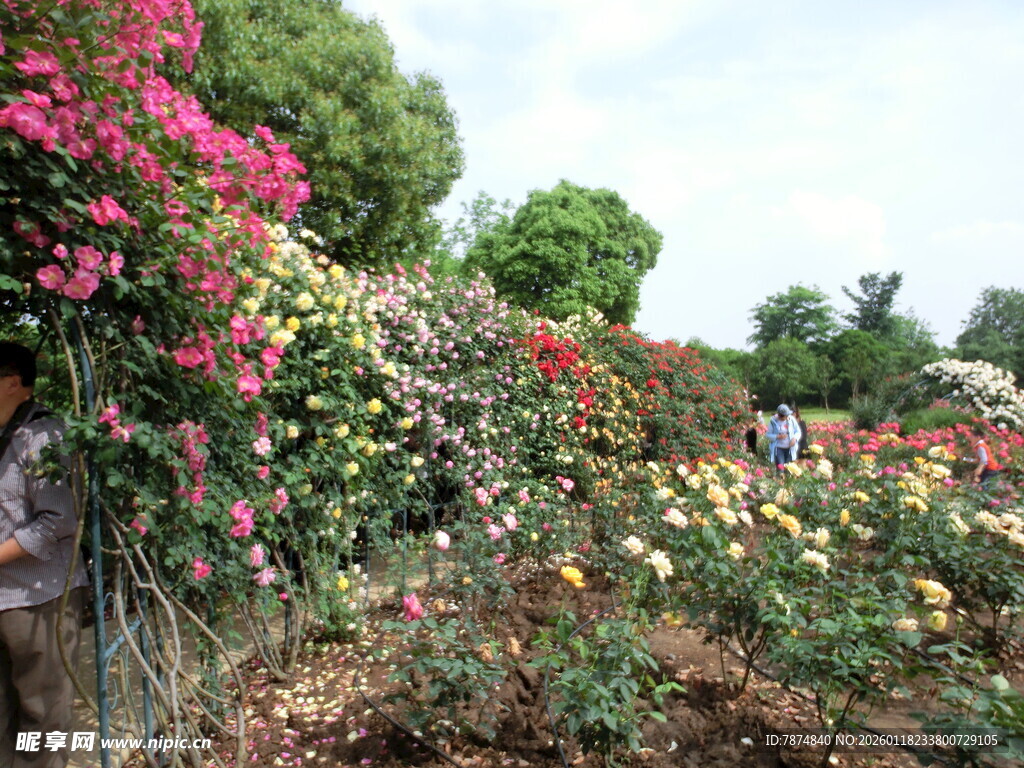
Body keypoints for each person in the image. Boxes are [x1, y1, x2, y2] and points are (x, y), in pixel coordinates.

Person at [0, 342, 89, 768]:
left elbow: (59, 520)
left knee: (43, 717)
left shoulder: (45, 435)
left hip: (39, 598)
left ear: (12, 383)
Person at [766, 404, 801, 469]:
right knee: (781, 468)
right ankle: (780, 477)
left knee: (789, 469)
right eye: (786, 416)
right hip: (779, 448)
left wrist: (795, 439)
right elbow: (768, 435)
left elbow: (798, 431)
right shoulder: (773, 422)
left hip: (790, 448)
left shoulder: (791, 420)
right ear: (780, 416)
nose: (787, 417)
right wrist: (777, 436)